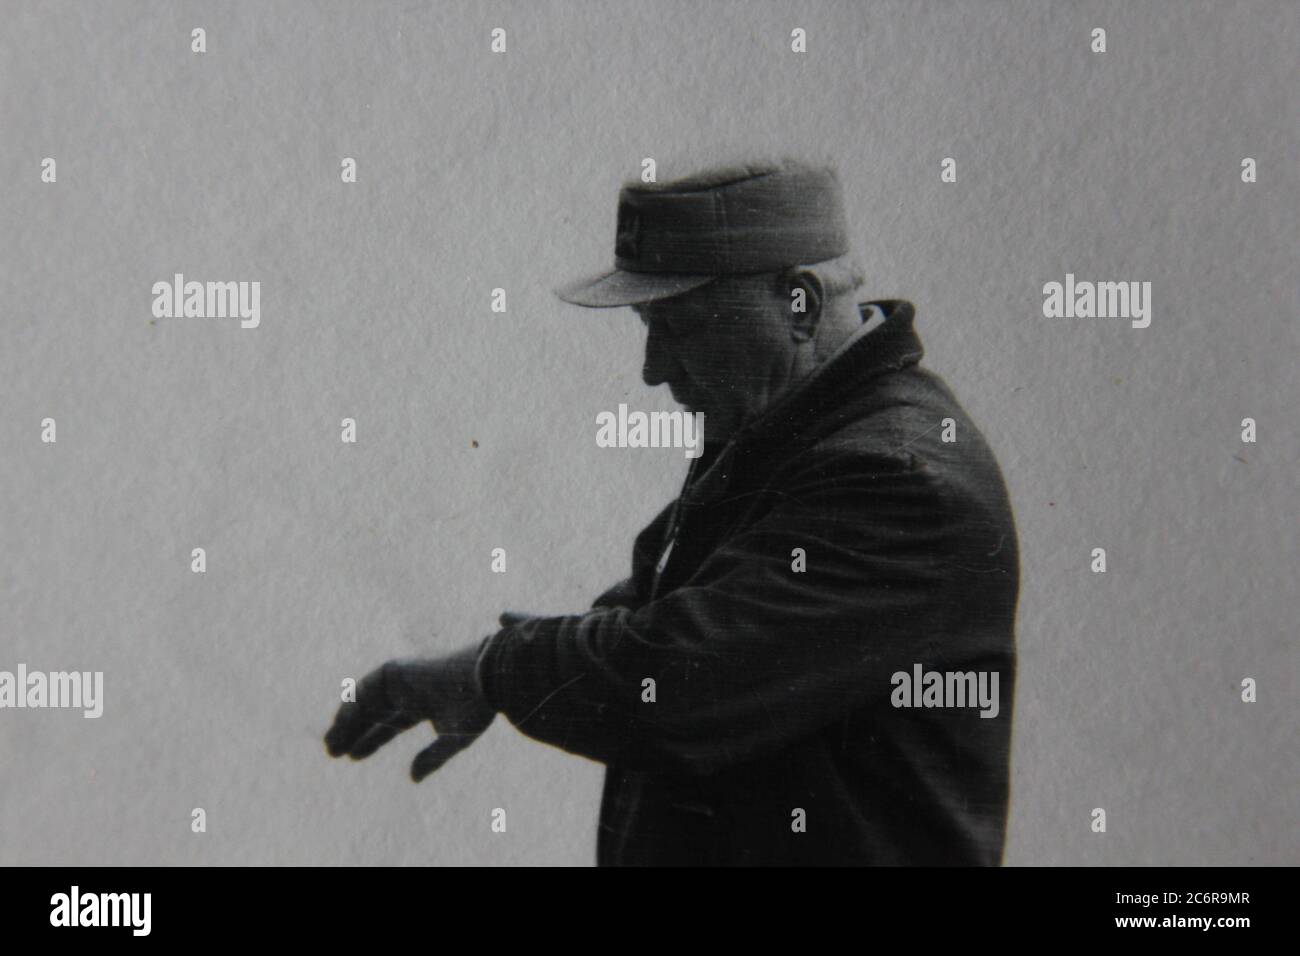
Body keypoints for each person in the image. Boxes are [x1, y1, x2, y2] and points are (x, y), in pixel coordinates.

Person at [325, 159, 1021, 866]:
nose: (654, 370)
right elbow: (653, 619)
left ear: (801, 305)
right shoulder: (792, 440)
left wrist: (494, 671)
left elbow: (676, 680)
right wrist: (496, 668)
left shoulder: (895, 480)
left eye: (681, 326)